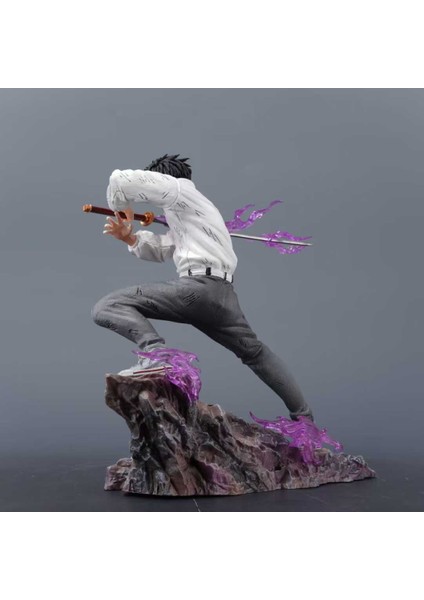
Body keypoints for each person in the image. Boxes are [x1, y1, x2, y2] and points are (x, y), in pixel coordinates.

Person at [91, 154, 314, 421]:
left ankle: (156, 354)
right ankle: (304, 417)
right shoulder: (197, 210)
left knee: (108, 306)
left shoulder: (177, 189)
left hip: (197, 290)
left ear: (162, 178)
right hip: (223, 297)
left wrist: (122, 211)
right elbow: (164, 249)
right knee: (255, 353)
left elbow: (120, 180)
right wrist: (130, 237)